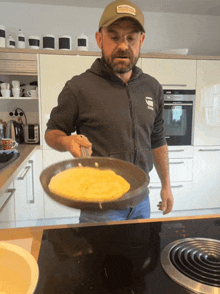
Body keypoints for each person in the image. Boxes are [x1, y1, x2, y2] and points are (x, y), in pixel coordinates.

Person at [45, 0, 174, 223]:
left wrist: (166, 186)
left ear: (141, 41)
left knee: (139, 256)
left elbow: (158, 140)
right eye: (114, 37)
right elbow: (52, 133)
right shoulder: (78, 87)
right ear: (99, 39)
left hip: (142, 201)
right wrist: (66, 141)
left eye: (131, 38)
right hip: (100, 207)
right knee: (99, 259)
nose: (123, 46)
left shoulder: (152, 87)